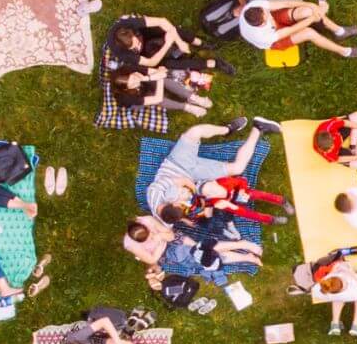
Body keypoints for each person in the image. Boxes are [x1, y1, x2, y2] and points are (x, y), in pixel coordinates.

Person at [144, 119, 275, 228]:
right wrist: (185, 220)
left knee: (195, 132)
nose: (181, 205)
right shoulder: (167, 217)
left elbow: (182, 180)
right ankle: (258, 128)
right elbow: (170, 225)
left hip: (177, 164)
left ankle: (227, 129)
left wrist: (196, 195)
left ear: (171, 203)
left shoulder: (154, 191)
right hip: (195, 176)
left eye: (179, 204)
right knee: (237, 168)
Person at [123, 216, 263, 291]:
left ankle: (244, 247)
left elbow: (171, 235)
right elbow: (152, 259)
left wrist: (160, 238)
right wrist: (160, 240)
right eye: (147, 239)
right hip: (169, 254)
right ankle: (246, 253)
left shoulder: (147, 220)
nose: (151, 237)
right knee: (204, 254)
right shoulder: (130, 245)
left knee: (202, 250)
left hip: (176, 239)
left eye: (150, 233)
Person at [237, 0, 357, 59]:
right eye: (266, 16)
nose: (268, 13)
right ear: (261, 24)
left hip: (277, 24)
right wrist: (312, 19)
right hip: (275, 40)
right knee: (309, 32)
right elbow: (291, 30)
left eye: (266, 11)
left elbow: (285, 3)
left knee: (306, 11)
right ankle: (346, 52)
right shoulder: (261, 36)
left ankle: (340, 32)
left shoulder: (255, 6)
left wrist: (311, 6)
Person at [185, 174, 293, 227]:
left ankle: (282, 201)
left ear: (214, 182)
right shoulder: (214, 201)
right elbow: (229, 208)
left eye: (212, 188)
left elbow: (241, 181)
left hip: (241, 193)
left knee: (259, 194)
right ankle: (271, 220)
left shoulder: (224, 182)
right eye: (209, 193)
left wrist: (242, 191)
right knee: (247, 214)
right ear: (207, 196)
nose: (213, 192)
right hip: (232, 203)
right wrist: (231, 206)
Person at [109, 68, 212, 118]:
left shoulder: (129, 67)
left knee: (162, 78)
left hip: (145, 85)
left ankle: (193, 97)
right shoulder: (126, 98)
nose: (137, 81)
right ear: (127, 89)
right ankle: (187, 107)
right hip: (138, 100)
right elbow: (157, 99)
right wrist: (159, 77)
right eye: (133, 84)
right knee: (156, 98)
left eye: (134, 78)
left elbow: (153, 70)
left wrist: (154, 75)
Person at [309, 257, 357, 336]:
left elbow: (326, 283)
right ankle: (355, 325)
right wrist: (352, 273)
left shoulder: (321, 290)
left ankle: (335, 324)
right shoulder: (353, 291)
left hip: (335, 296)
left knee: (337, 298)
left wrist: (332, 271)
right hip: (350, 295)